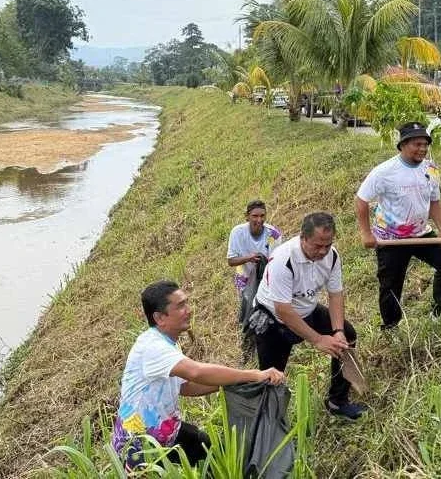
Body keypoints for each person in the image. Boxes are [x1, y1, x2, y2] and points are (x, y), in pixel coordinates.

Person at [112, 280, 285, 469]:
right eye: (180, 306)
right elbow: (196, 372)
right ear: (160, 317)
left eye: (186, 303)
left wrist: (230, 383)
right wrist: (253, 375)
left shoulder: (168, 344)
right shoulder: (153, 347)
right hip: (140, 446)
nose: (189, 310)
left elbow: (186, 386)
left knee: (211, 453)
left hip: (168, 432)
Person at [251, 212, 367, 420]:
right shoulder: (283, 259)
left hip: (307, 309)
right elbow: (283, 310)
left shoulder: (331, 257)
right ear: (303, 238)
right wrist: (318, 339)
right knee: (272, 376)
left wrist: (337, 330)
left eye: (327, 245)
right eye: (317, 245)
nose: (322, 251)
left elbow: (335, 294)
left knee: (347, 336)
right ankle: (272, 427)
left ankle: (337, 402)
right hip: (273, 319)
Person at [356, 121, 441, 329]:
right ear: (402, 145)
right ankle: (391, 326)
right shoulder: (384, 171)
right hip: (391, 238)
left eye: (425, 144)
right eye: (417, 144)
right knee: (391, 284)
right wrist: (366, 234)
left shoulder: (431, 169)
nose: (422, 149)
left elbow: (434, 201)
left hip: (421, 234)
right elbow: (361, 199)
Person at [227, 199, 282, 295]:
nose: (259, 220)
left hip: (267, 280)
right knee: (248, 308)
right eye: (255, 216)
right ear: (247, 217)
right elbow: (231, 261)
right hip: (244, 280)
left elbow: (277, 262)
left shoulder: (273, 235)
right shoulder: (237, 232)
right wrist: (248, 258)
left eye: (262, 216)